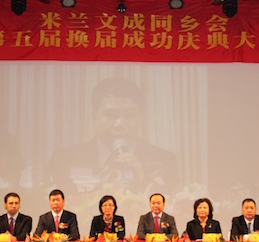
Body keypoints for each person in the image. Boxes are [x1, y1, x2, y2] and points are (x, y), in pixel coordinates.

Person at [49, 77, 179, 195]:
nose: (119, 124)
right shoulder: (64, 160)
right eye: (110, 115)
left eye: (129, 115)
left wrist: (141, 182)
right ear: (94, 116)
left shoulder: (165, 161)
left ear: (140, 117)